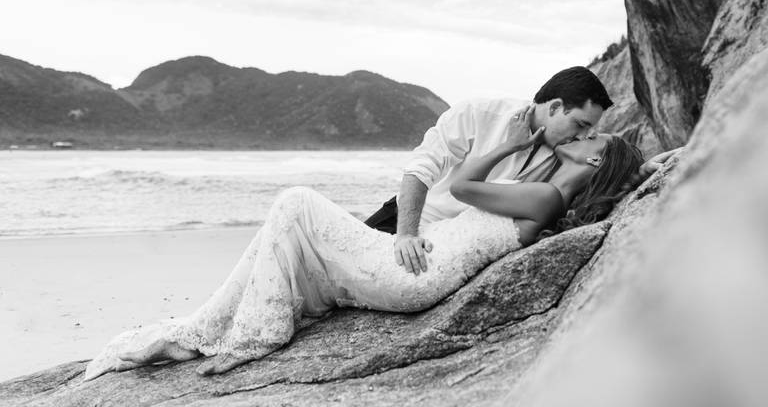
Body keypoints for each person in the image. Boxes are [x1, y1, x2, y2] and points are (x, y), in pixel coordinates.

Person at [83, 105, 644, 382]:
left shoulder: (546, 197)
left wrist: (511, 145)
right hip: (419, 262)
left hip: (413, 275)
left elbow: (464, 187)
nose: (583, 135)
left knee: (296, 202)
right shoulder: (547, 193)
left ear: (595, 159)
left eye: (592, 136)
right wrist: (653, 166)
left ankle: (250, 332)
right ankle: (209, 327)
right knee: (291, 220)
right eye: (584, 124)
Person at [365, 66, 614, 275]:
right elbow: (421, 167)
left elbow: (605, 160)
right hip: (406, 219)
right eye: (580, 124)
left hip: (451, 245)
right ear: (555, 107)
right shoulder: (479, 112)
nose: (583, 136)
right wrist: (406, 234)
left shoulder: (567, 152)